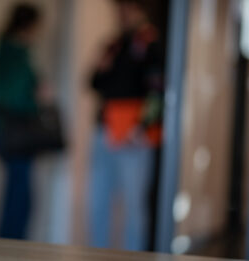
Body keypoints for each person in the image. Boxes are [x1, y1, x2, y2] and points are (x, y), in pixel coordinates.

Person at [88, 0, 164, 251]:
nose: (121, 14)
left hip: (134, 135)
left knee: (134, 206)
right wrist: (101, 66)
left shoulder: (151, 43)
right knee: (98, 202)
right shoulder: (115, 44)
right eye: (118, 9)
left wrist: (142, 126)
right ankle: (95, 254)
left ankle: (136, 255)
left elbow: (158, 90)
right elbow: (93, 82)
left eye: (126, 8)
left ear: (139, 9)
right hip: (105, 129)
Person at [0, 3, 42, 239]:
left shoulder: (3, 51)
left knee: (15, 194)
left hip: (8, 132)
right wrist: (36, 99)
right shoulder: (16, 54)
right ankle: (12, 245)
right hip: (19, 133)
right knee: (20, 198)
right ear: (29, 27)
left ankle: (7, 242)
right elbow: (15, 96)